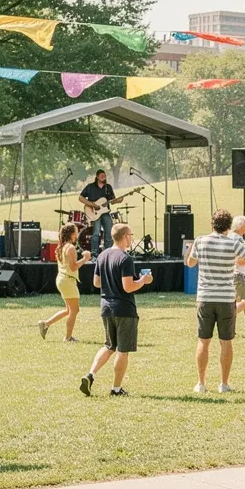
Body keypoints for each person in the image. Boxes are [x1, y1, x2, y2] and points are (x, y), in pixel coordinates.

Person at [186, 209, 245, 394]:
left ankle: (201, 383)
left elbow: (190, 263)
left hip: (205, 297)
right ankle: (224, 384)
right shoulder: (233, 242)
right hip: (226, 298)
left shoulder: (201, 241)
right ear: (228, 226)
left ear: (212, 224)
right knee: (226, 342)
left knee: (203, 341)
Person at [79, 223, 151, 397]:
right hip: (124, 309)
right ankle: (116, 389)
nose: (132, 238)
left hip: (106, 307)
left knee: (109, 346)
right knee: (122, 350)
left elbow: (96, 283)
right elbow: (128, 287)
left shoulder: (103, 255)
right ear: (125, 236)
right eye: (131, 235)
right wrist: (143, 280)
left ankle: (90, 375)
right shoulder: (125, 258)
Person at [39, 222, 91, 342]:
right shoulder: (71, 248)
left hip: (62, 279)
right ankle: (68, 337)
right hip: (67, 280)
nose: (78, 233)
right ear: (72, 234)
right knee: (74, 310)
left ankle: (45, 324)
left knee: (68, 310)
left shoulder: (62, 246)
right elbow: (73, 267)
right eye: (76, 231)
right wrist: (85, 259)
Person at [79, 170, 116, 257]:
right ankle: (94, 253)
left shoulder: (108, 187)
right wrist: (92, 204)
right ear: (97, 176)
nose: (103, 176)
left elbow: (113, 200)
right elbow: (81, 198)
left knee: (109, 231)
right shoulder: (90, 187)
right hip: (94, 213)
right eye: (101, 175)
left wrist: (118, 200)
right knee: (96, 232)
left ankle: (108, 252)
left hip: (105, 212)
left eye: (104, 175)